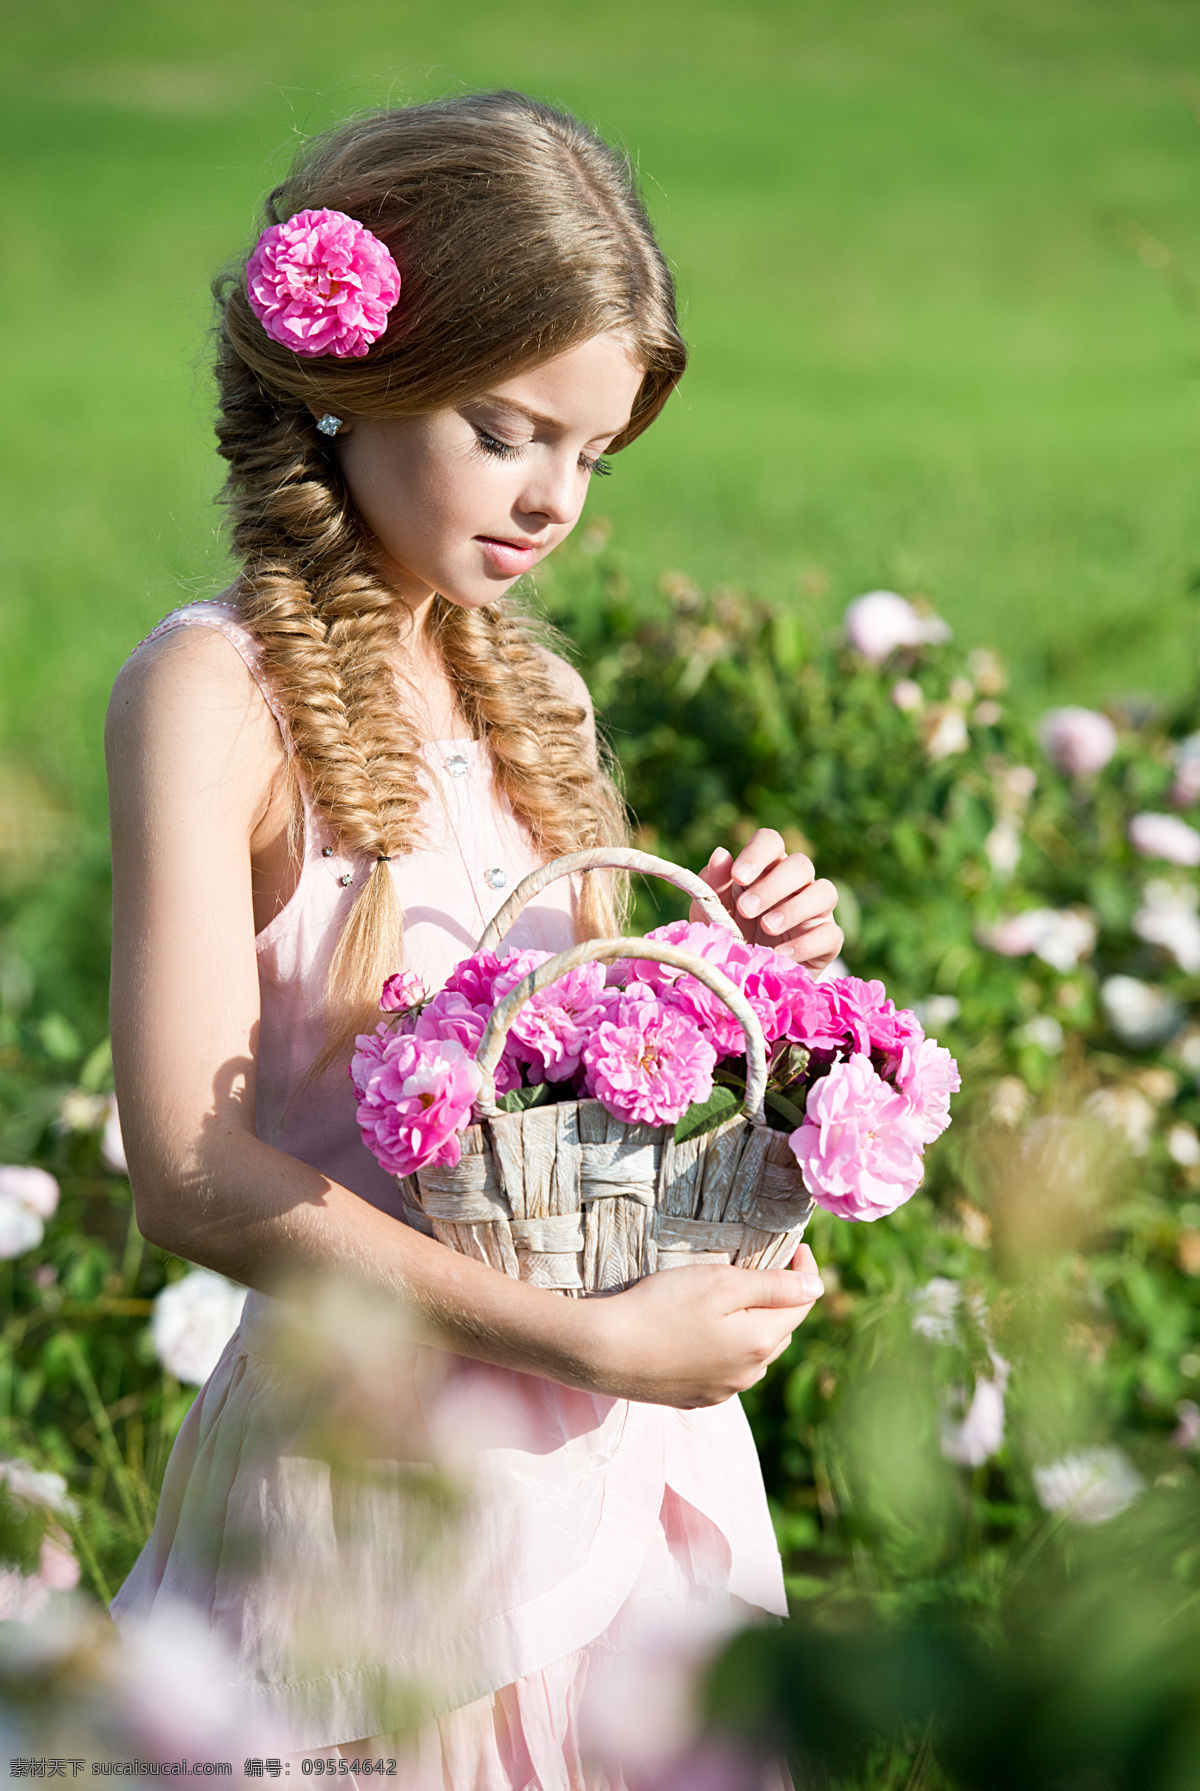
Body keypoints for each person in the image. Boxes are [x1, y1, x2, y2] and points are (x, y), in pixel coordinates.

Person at [105, 92, 841, 1787]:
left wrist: (725, 982)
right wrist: (593, 1340)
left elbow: (554, 1109)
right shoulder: (217, 696)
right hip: (382, 1501)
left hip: (615, 1474)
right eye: (509, 430)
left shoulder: (539, 696)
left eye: (591, 452)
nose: (557, 498)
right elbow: (194, 1176)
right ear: (353, 381)